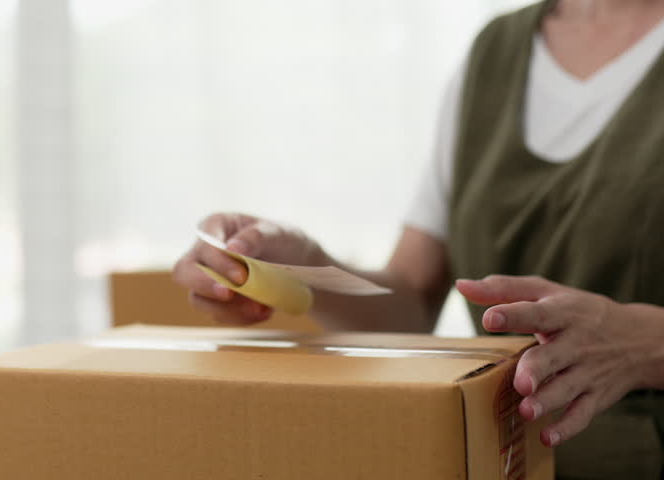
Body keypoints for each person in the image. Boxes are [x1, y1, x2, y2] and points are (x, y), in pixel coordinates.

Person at [173, 0, 664, 478]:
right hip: (503, 459)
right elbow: (410, 301)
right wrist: (304, 266)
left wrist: (644, 341)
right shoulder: (494, 52)